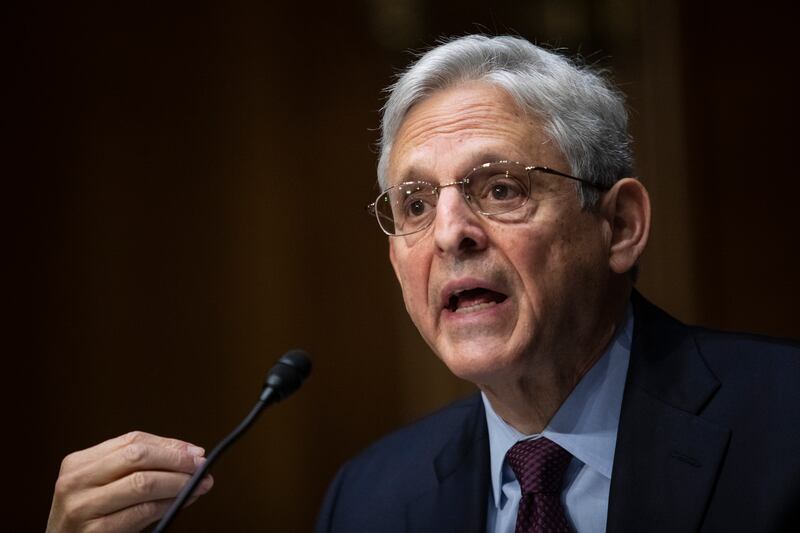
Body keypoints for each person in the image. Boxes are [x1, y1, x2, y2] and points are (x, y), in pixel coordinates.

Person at [47, 35, 800, 533]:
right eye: (414, 204)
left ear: (620, 224)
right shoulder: (371, 501)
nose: (449, 232)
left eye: (500, 188)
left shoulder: (784, 424)